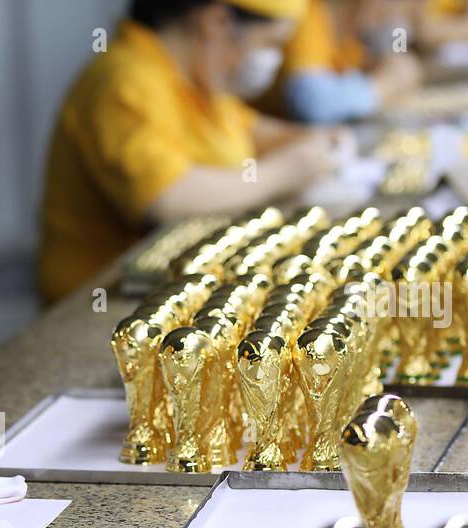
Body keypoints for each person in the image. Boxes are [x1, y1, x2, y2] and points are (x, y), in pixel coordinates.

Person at [37, 0, 346, 306]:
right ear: (218, 23)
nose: (273, 59)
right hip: (105, 302)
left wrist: (313, 138)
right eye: (270, 43)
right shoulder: (124, 78)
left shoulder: (193, 75)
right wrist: (286, 171)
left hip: (178, 284)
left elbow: (246, 130)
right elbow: (167, 196)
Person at [265, 0, 422, 124]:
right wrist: (386, 84)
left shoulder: (355, 35)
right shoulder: (309, 13)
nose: (395, 15)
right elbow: (314, 104)